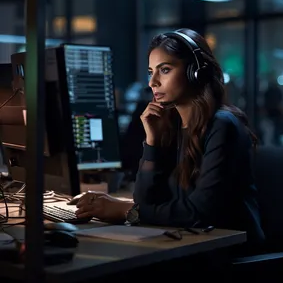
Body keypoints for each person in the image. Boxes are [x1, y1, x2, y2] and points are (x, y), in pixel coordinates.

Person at [75, 28, 265, 249]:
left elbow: (199, 212)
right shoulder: (172, 124)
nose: (152, 82)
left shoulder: (222, 125)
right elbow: (146, 200)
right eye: (150, 72)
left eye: (164, 70)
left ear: (195, 72)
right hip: (190, 245)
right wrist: (153, 142)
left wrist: (126, 211)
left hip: (230, 254)